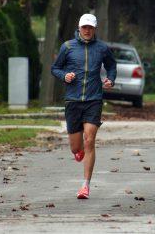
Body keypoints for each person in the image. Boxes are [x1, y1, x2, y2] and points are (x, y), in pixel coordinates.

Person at [51, 13, 117, 199]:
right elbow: (54, 68)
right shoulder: (68, 47)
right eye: (84, 27)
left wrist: (110, 79)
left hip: (94, 100)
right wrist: (64, 76)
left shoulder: (102, 48)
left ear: (95, 29)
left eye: (90, 27)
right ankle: (77, 152)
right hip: (72, 101)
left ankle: (85, 186)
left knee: (90, 140)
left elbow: (112, 66)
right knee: (76, 147)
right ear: (79, 28)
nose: (87, 30)